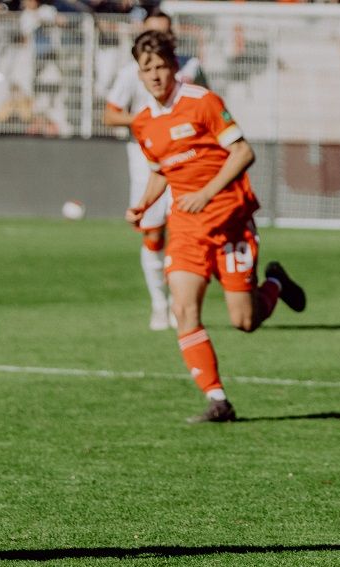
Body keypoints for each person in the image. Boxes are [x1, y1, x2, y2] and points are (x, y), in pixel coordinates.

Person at [126, 30, 305, 423]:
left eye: (161, 66)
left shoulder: (202, 101)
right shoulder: (142, 123)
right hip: (188, 227)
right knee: (183, 309)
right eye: (147, 69)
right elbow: (162, 171)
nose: (155, 75)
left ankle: (275, 283)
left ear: (174, 67)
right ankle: (217, 400)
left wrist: (206, 193)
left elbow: (243, 152)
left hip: (231, 220)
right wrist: (142, 205)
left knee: (245, 321)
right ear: (138, 74)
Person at [104, 9, 207, 331]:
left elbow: (206, 102)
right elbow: (111, 115)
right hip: (146, 163)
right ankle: (159, 305)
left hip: (188, 162)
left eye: (164, 33)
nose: (158, 39)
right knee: (152, 232)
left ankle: (181, 304)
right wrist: (151, 125)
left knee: (186, 233)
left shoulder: (191, 67)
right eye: (152, 33)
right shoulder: (130, 73)